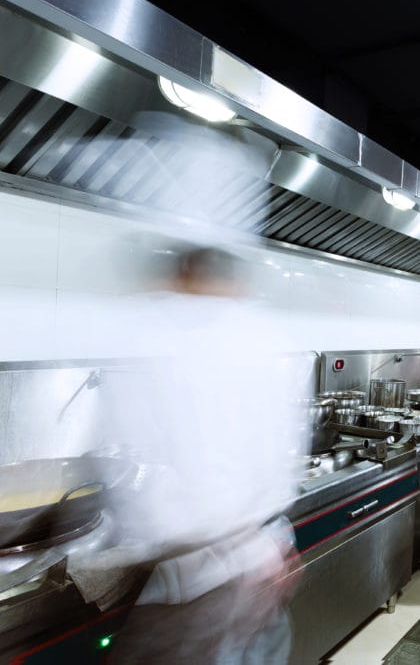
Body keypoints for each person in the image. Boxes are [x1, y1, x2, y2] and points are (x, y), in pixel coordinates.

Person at [90, 243, 304, 663]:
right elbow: (276, 457)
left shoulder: (159, 338)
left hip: (204, 585)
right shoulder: (261, 336)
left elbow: (141, 474)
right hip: (258, 558)